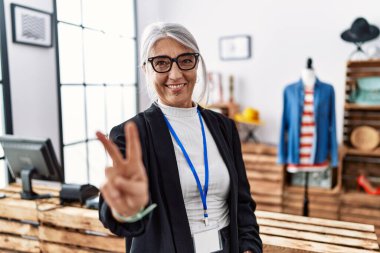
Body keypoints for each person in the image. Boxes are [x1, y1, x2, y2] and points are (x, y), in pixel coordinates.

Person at [96, 22, 262, 253]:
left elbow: (242, 203)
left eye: (185, 60)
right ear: (146, 69)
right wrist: (126, 208)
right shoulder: (131, 133)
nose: (175, 74)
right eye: (161, 63)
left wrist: (249, 248)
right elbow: (122, 218)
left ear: (196, 64)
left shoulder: (224, 127)